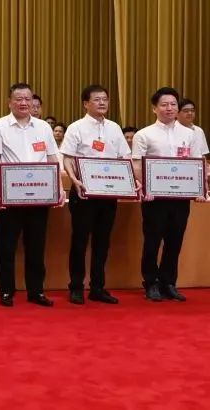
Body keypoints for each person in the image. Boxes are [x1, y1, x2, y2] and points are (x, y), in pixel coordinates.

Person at [0, 83, 62, 307]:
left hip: (39, 196)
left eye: (28, 99)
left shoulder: (43, 128)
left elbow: (52, 159)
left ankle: (36, 291)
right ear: (9, 102)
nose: (24, 103)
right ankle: (6, 291)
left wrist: (57, 188)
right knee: (6, 246)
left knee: (36, 246)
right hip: (9, 196)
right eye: (18, 99)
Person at [131, 87, 208, 302]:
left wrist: (200, 188)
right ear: (154, 108)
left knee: (175, 240)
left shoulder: (190, 134)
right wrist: (145, 187)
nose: (169, 108)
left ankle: (169, 282)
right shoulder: (144, 134)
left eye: (173, 104)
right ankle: (151, 282)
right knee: (152, 240)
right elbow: (137, 164)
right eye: (164, 104)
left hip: (180, 197)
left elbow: (198, 163)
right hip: (154, 198)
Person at [59, 85, 131, 305]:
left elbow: (124, 158)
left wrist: (129, 181)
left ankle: (97, 287)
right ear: (85, 104)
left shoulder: (114, 128)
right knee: (80, 240)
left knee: (103, 241)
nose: (102, 103)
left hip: (108, 193)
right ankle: (76, 286)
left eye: (105, 99)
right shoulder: (76, 128)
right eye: (97, 99)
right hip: (83, 192)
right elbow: (68, 158)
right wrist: (74, 180)